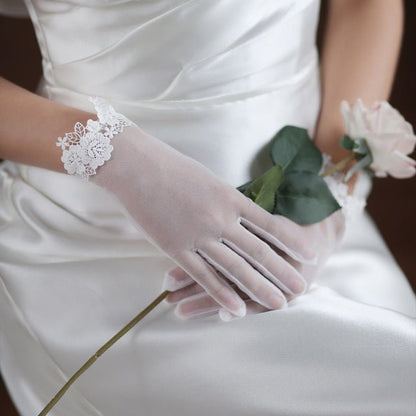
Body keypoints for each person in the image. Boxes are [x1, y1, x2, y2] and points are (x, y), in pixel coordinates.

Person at [0, 0, 415, 415]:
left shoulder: (325, 215)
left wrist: (334, 193)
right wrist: (125, 162)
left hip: (311, 234)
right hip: (102, 250)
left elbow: (364, 6)